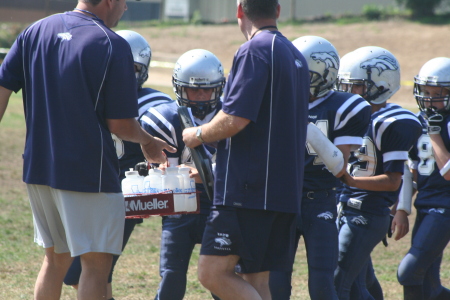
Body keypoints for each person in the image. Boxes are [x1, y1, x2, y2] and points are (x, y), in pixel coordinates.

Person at [0, 1, 175, 299]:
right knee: (95, 266)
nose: (126, 7)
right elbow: (121, 125)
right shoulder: (111, 43)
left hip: (38, 168)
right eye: (123, 1)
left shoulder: (34, 31)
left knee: (54, 260)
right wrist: (147, 141)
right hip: (87, 173)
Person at [182, 1, 310, 299]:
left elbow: (235, 118)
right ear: (278, 10)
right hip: (283, 191)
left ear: (239, 10)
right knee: (257, 280)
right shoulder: (295, 55)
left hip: (248, 192)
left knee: (212, 272)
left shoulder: (254, 50)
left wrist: (196, 134)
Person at [62, 29, 173, 300]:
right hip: (92, 189)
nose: (122, 74)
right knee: (94, 274)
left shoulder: (153, 104)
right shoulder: (92, 96)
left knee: (82, 273)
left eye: (131, 68)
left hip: (122, 194)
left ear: (143, 71)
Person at [269, 36, 372, 300]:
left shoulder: (347, 106)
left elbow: (340, 166)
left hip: (321, 200)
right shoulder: (277, 99)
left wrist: (304, 125)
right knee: (276, 279)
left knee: (322, 282)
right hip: (283, 200)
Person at [334, 46, 422, 300]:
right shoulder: (349, 116)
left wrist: (350, 180)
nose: (346, 91)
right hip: (347, 207)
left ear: (380, 85)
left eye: (354, 85)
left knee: (338, 284)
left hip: (367, 212)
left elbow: (395, 178)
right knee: (362, 285)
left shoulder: (391, 122)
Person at [138, 48, 225, 300]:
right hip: (180, 204)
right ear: (179, 87)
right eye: (193, 89)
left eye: (206, 89)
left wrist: (198, 173)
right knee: (171, 275)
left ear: (219, 87)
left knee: (221, 277)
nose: (199, 96)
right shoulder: (163, 118)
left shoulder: (228, 118)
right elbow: (165, 177)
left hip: (218, 204)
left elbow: (237, 170)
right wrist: (161, 172)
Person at [397, 57, 450, 300]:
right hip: (427, 205)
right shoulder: (420, 119)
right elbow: (412, 170)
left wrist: (435, 135)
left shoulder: (441, 125)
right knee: (430, 288)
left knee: (409, 272)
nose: (429, 99)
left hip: (445, 206)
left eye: (437, 93)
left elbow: (448, 173)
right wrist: (400, 208)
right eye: (425, 92)